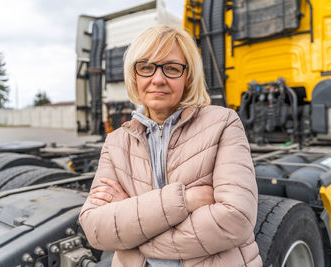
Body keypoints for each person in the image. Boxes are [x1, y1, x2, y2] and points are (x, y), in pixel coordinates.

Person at [79, 25, 262, 267]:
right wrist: (185, 200)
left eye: (172, 68)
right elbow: (96, 230)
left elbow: (235, 220)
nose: (158, 79)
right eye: (146, 67)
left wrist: (134, 233)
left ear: (188, 77)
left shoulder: (223, 123)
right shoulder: (116, 143)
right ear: (134, 75)